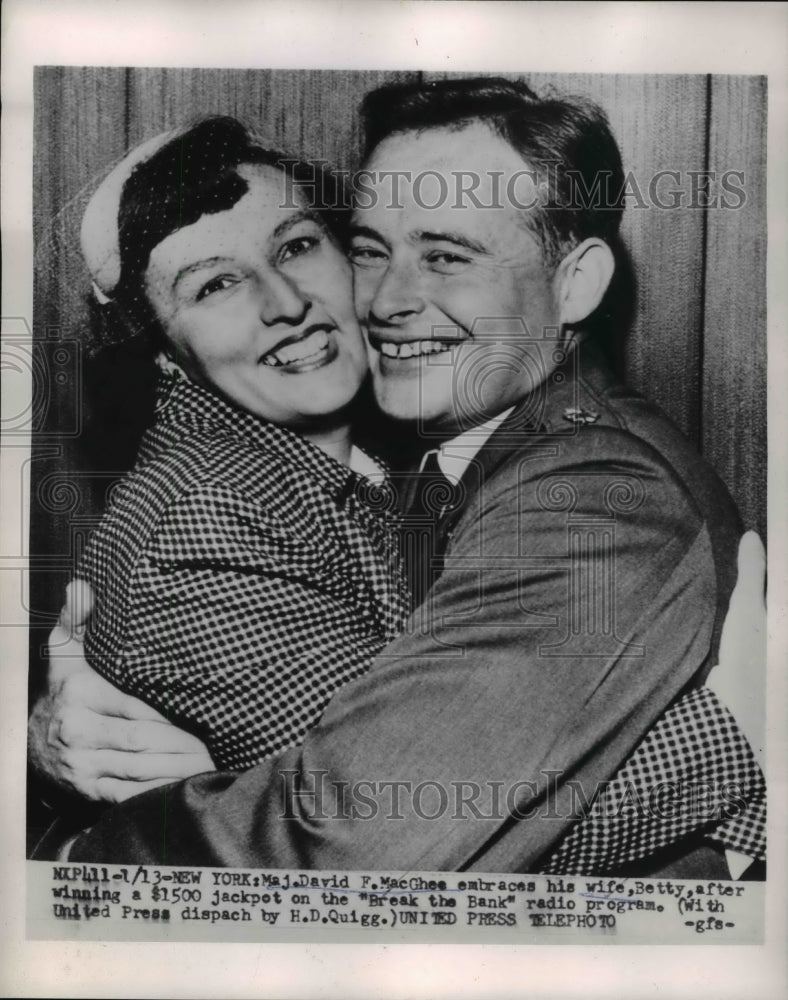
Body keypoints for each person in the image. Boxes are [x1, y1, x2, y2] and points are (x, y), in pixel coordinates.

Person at [32, 79, 765, 876]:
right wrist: (733, 740)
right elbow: (361, 836)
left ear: (576, 282)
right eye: (213, 285)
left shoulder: (576, 483)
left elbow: (383, 819)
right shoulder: (208, 511)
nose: (383, 299)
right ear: (164, 354)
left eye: (297, 246)